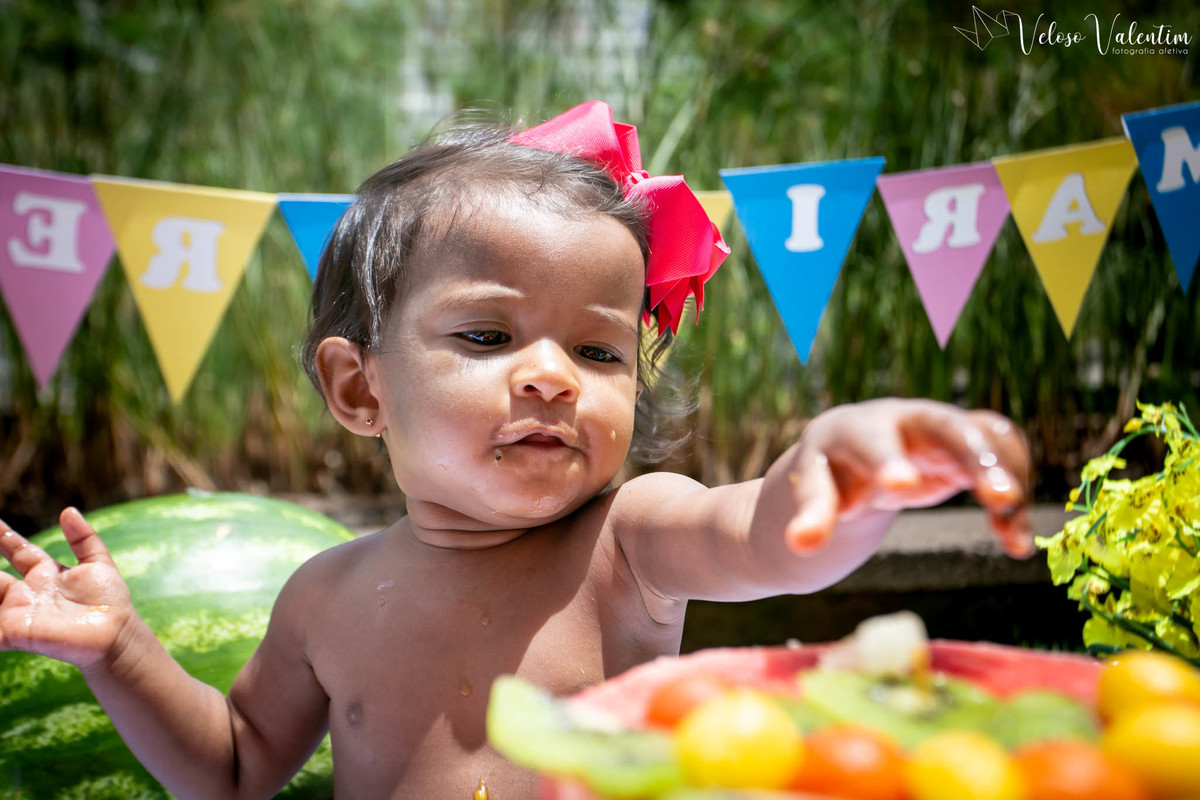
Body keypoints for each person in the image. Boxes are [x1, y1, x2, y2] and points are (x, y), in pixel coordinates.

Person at [0, 101, 1033, 799]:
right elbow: (232, 770)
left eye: (598, 347)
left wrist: (839, 471)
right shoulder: (323, 592)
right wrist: (121, 652)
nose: (553, 375)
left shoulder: (626, 542)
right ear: (361, 387)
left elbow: (766, 536)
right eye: (489, 336)